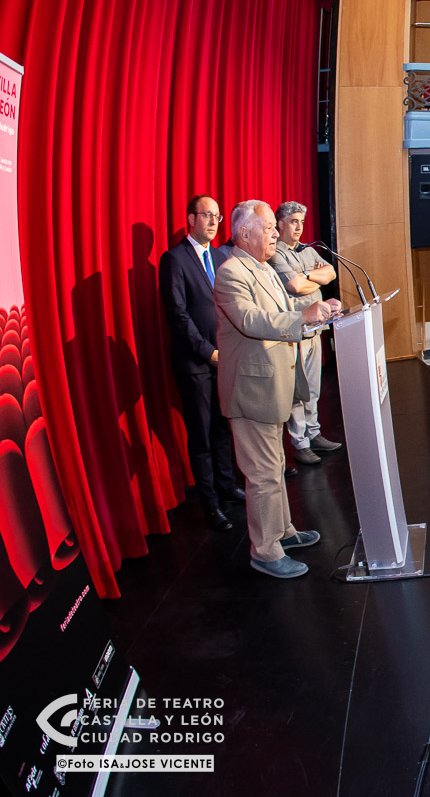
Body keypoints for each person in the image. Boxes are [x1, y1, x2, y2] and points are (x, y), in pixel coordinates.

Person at [214, 201, 339, 578]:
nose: (274, 233)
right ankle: (266, 552)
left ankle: (283, 531)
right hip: (250, 392)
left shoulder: (264, 268)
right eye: (268, 227)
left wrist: (320, 311)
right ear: (244, 233)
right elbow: (251, 320)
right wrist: (301, 317)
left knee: (275, 467)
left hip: (271, 387)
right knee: (263, 474)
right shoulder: (231, 272)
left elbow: (285, 310)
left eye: (273, 226)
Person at [158, 195, 239, 532]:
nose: (214, 222)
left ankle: (227, 486)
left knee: (222, 428)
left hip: (226, 356)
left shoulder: (221, 256)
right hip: (196, 363)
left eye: (217, 216)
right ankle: (210, 503)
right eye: (207, 215)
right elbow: (178, 315)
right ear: (191, 219)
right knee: (202, 434)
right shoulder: (174, 259)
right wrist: (208, 352)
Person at [265, 201, 342, 467]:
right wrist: (311, 278)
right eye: (293, 222)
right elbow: (295, 286)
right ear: (280, 224)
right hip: (295, 330)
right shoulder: (276, 252)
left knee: (313, 387)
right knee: (298, 391)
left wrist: (306, 273)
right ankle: (301, 444)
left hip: (317, 328)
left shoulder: (307, 250)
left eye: (301, 222)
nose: (299, 227)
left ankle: (314, 433)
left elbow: (331, 273)